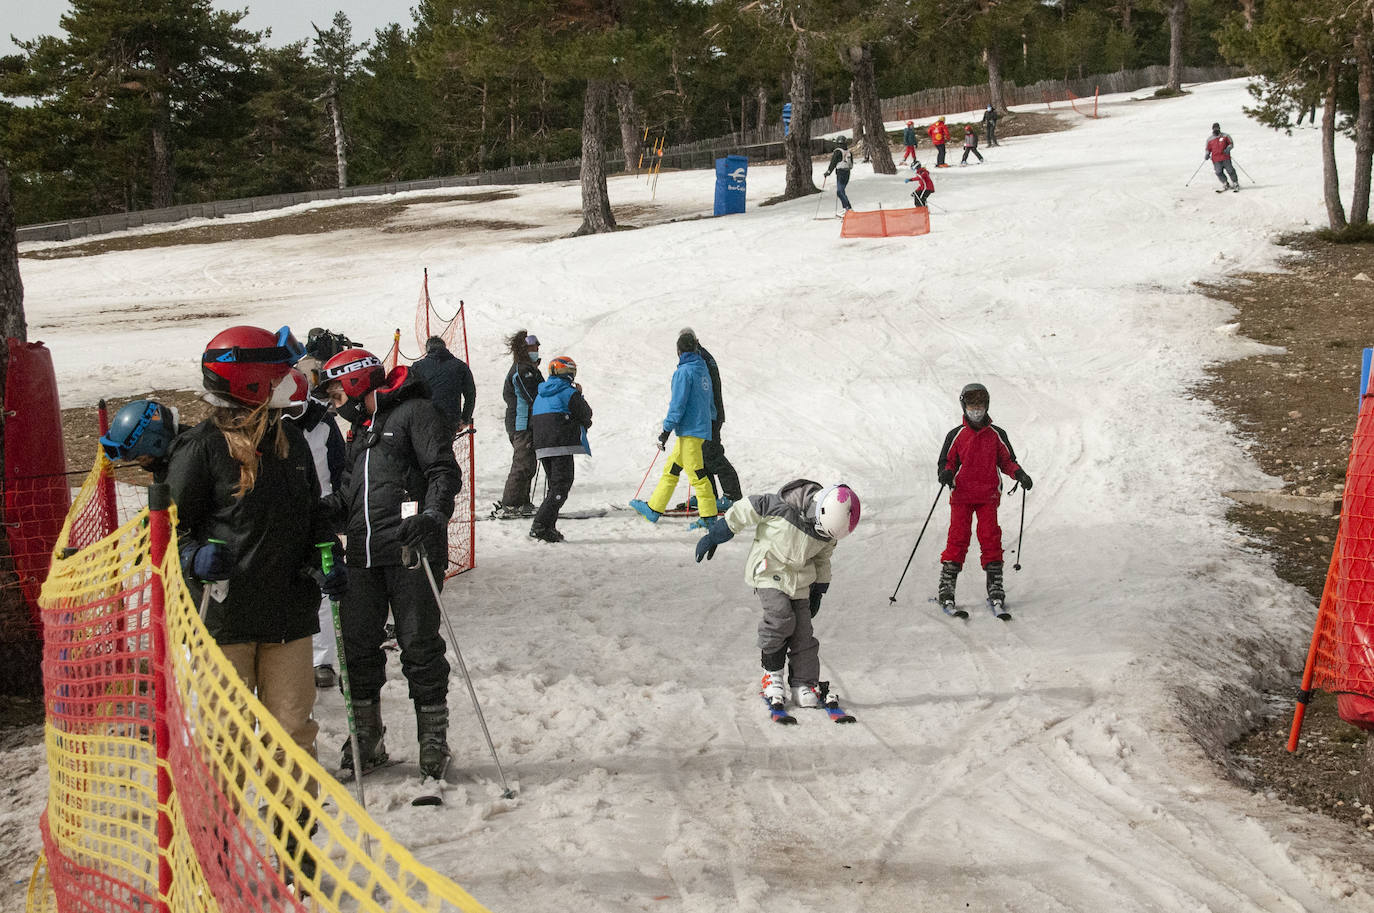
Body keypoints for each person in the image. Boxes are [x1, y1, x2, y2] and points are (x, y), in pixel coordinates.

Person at [166, 325, 343, 881]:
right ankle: (215, 854)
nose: (291, 383)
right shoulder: (200, 449)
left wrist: (323, 554)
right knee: (227, 740)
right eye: (276, 376)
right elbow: (167, 531)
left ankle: (295, 853)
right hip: (225, 621)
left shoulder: (287, 440)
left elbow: (311, 517)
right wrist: (193, 554)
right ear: (248, 385)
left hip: (289, 614)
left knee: (293, 735)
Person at [316, 347, 461, 780]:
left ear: (359, 383)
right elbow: (348, 498)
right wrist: (308, 511)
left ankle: (433, 738)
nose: (335, 405)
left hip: (409, 550)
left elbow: (442, 470)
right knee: (357, 649)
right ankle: (366, 735)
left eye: (338, 393)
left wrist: (434, 515)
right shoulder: (360, 430)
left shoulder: (417, 413)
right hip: (362, 554)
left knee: (418, 646)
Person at [692, 480, 860, 713]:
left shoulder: (829, 529)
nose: (821, 536)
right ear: (817, 510)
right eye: (821, 530)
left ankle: (803, 682)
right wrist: (716, 535)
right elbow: (745, 509)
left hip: (800, 581)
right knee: (780, 617)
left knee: (803, 632)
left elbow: (822, 559)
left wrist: (820, 589)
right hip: (767, 571)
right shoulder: (779, 506)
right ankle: (771, 674)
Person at [281, 369, 348, 690]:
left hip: (317, 511)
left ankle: (322, 660)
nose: (290, 415)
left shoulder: (323, 424)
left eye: (296, 409)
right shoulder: (270, 424)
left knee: (323, 586)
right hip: (278, 512)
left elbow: (340, 467)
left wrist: (336, 506)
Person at [935, 383, 1032, 607]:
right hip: (962, 496)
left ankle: (995, 584)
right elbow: (946, 461)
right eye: (971, 405)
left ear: (986, 407)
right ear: (964, 406)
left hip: (988, 495)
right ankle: (947, 585)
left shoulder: (996, 435)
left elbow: (1007, 461)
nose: (975, 410)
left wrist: (1020, 475)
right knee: (958, 538)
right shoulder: (957, 435)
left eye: (980, 405)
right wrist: (946, 473)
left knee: (990, 537)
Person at [631, 331, 719, 524]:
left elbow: (678, 404)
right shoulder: (702, 369)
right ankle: (654, 508)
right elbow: (709, 400)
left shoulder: (684, 372)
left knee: (697, 474)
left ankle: (709, 516)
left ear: (679, 351)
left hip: (690, 431)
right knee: (671, 468)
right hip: (697, 429)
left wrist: (666, 430)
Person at [529, 356, 593, 543]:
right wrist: (579, 394)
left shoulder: (540, 393)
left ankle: (549, 526)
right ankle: (540, 525)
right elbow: (586, 413)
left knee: (554, 486)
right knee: (561, 486)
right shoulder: (568, 392)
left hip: (542, 445)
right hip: (561, 444)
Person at [679, 327, 741, 506]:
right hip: (709, 414)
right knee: (702, 456)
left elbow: (702, 389)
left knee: (713, 454)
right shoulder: (702, 356)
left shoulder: (700, 359)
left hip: (709, 415)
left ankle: (732, 496)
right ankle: (708, 496)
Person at [497, 330, 543, 519]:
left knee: (529, 463)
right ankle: (510, 504)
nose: (537, 350)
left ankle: (522, 501)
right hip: (521, 424)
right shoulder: (522, 371)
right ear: (525, 348)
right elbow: (533, 396)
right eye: (534, 347)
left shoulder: (528, 367)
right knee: (523, 463)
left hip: (528, 423)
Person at [99, 398, 187, 483]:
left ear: (156, 444)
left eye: (141, 459)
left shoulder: (188, 464)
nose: (143, 465)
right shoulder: (171, 462)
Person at [408, 335, 475, 437]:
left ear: (428, 349)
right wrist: (465, 418)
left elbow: (409, 394)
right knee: (444, 451)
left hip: (423, 421)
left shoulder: (418, 367)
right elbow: (470, 394)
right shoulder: (461, 366)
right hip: (450, 421)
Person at [1205, 122, 1238, 193]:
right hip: (1216, 159)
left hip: (1225, 157)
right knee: (1218, 172)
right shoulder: (1210, 139)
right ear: (1212, 129)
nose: (1216, 129)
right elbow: (1208, 148)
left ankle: (1235, 183)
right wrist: (1207, 154)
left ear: (1219, 128)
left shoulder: (1225, 136)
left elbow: (1231, 144)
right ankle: (1225, 183)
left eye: (1217, 128)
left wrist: (1228, 149)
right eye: (1214, 128)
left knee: (1230, 170)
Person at [823, 136, 854, 212]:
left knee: (839, 191)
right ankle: (847, 208)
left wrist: (828, 172)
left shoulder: (838, 151)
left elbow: (833, 163)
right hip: (847, 173)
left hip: (840, 173)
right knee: (842, 191)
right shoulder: (848, 152)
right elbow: (851, 164)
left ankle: (847, 208)